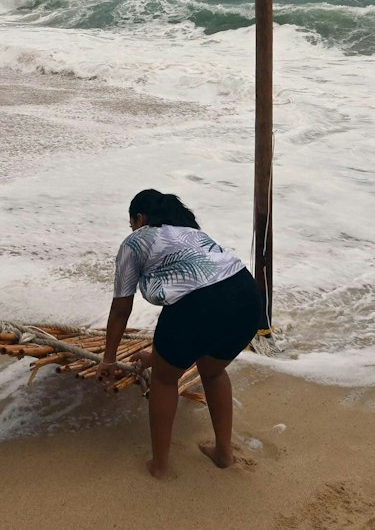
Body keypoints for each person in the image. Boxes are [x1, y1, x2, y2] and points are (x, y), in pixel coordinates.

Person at [96, 188, 264, 479]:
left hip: (199, 306)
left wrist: (109, 359)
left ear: (140, 217)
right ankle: (224, 453)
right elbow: (200, 300)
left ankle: (160, 467)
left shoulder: (135, 241)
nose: (132, 228)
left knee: (164, 379)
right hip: (247, 298)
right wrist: (157, 356)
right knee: (212, 371)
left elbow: (121, 309)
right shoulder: (192, 233)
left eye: (132, 222)